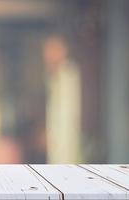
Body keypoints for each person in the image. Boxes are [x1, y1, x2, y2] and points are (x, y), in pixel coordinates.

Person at [43, 35, 82, 163]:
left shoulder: (68, 74)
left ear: (63, 50)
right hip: (58, 141)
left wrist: (55, 136)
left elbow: (67, 115)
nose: (47, 55)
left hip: (67, 140)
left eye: (51, 50)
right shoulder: (55, 75)